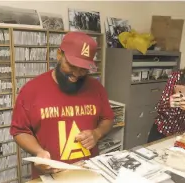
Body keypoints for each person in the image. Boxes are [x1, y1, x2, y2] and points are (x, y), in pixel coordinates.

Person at [10, 32, 114, 178]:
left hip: (89, 173)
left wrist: (97, 133)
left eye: (83, 68)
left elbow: (107, 118)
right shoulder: (31, 90)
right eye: (71, 65)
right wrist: (38, 152)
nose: (76, 74)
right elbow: (19, 130)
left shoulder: (97, 88)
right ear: (59, 54)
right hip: (50, 176)